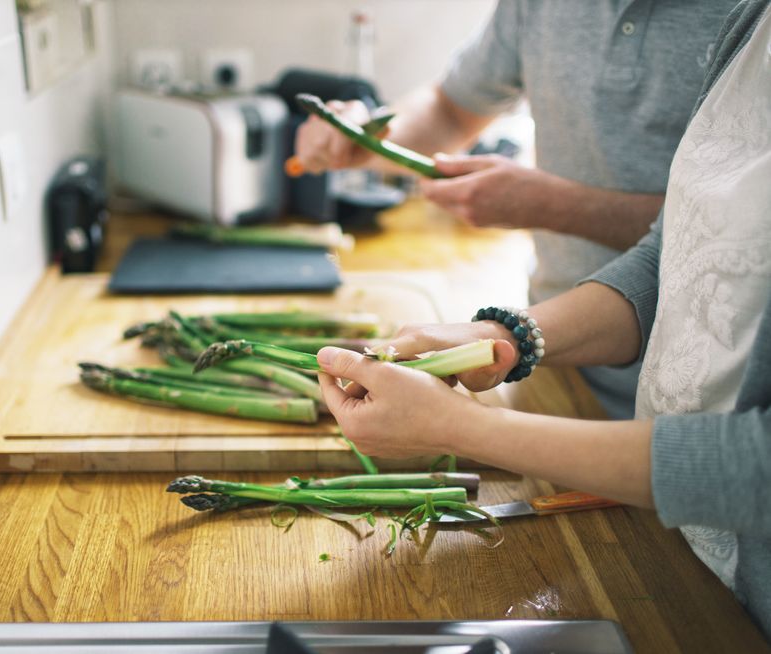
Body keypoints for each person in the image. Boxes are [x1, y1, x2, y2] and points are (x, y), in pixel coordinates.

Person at [314, 1, 771, 638]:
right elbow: (681, 251)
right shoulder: (753, 26)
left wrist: (465, 428)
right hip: (661, 495)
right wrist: (502, 335)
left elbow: (756, 463)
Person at [295, 1, 739, 419]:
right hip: (547, 347)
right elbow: (450, 109)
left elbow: (734, 231)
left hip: (707, 386)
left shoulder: (750, 17)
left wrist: (551, 206)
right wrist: (371, 137)